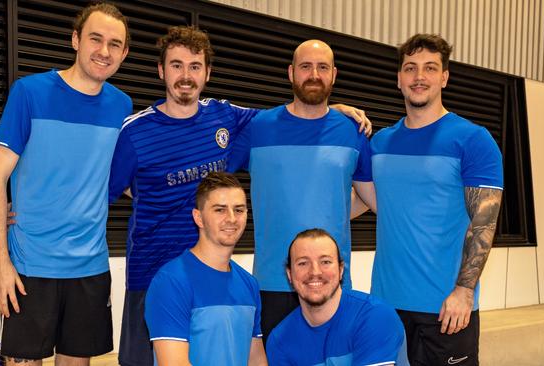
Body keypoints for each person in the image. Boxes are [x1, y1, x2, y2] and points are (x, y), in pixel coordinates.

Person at [108, 26, 371, 366]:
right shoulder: (136, 131)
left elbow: (294, 115)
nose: (185, 75)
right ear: (161, 70)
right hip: (153, 271)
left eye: (194, 66)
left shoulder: (228, 118)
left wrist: (330, 106)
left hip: (214, 276)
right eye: (176, 65)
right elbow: (110, 190)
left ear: (207, 72)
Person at [0, 3, 132, 365]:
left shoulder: (122, 106)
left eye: (115, 44)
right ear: (75, 40)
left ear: (124, 54)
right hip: (30, 266)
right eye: (96, 39)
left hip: (89, 267)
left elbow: (123, 179)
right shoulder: (29, 93)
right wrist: (0, 262)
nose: (104, 51)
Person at [228, 39, 377, 340]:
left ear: (333, 74)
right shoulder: (259, 128)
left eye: (322, 67)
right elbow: (213, 182)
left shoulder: (352, 132)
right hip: (273, 284)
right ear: (291, 72)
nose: (314, 74)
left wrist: (335, 211)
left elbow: (374, 199)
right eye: (305, 66)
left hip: (331, 283)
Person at [369, 33, 503, 366]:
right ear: (399, 78)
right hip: (385, 307)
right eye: (410, 68)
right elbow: (365, 202)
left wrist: (464, 291)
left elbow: (484, 223)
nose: (419, 76)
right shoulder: (380, 143)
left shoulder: (473, 140)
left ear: (444, 77)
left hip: (446, 309)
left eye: (430, 68)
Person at [144, 172, 267, 366]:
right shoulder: (170, 282)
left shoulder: (249, 284)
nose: (232, 218)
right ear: (198, 218)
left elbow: (256, 360)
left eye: (239, 210)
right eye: (220, 210)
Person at [267, 228, 405, 366]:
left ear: (340, 270)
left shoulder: (375, 315)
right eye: (303, 263)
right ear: (290, 275)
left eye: (325, 262)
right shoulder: (280, 340)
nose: (315, 271)